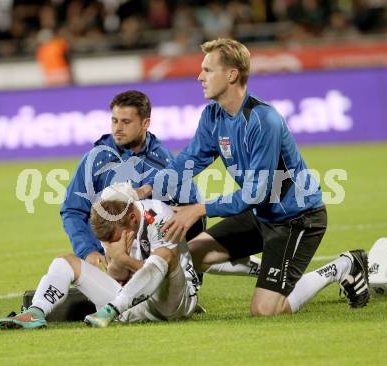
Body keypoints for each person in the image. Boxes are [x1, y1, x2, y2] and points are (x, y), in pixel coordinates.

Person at [145, 38, 369, 316]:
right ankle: (271, 271)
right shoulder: (213, 115)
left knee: (265, 310)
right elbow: (187, 162)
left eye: (207, 70)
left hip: (296, 219)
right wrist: (146, 189)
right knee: (190, 254)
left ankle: (343, 265)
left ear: (231, 74)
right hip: (262, 214)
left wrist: (200, 210)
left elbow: (256, 193)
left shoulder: (263, 121)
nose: (199, 76)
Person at [0, 196, 200, 329]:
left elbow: (164, 269)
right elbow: (117, 276)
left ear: (132, 218)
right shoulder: (112, 223)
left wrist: (124, 259)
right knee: (66, 261)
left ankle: (109, 311)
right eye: (106, 242)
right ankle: (36, 312)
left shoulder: (159, 217)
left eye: (113, 239)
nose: (110, 244)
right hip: (129, 304)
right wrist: (118, 262)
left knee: (164, 253)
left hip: (174, 302)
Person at [60, 90, 198, 270]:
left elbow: (190, 209)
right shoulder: (96, 159)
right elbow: (73, 210)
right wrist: (88, 252)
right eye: (114, 121)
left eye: (126, 122)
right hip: (106, 258)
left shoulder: (165, 162)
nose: (118, 128)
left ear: (145, 123)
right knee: (62, 266)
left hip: (153, 260)